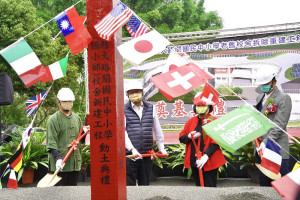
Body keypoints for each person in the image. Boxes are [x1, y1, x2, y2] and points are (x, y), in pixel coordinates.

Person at [124, 80, 167, 186]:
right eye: (131, 92)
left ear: (142, 93)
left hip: (146, 153)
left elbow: (157, 129)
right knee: (130, 185)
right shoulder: (123, 109)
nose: (135, 94)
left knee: (145, 184)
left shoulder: (151, 108)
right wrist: (132, 149)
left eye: (137, 92)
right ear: (128, 95)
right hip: (131, 155)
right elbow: (122, 132)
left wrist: (161, 147)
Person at [255, 66, 292, 186]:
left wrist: (266, 142)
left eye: (265, 84)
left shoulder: (283, 98)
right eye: (261, 84)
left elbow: (279, 124)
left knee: (280, 187)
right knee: (264, 187)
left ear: (274, 81)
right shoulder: (259, 97)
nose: (263, 87)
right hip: (261, 149)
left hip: (277, 149)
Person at [179, 94, 226, 187]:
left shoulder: (214, 121)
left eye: (203, 106)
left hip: (209, 160)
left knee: (210, 187)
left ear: (209, 107)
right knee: (199, 188)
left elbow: (216, 142)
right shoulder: (190, 121)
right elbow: (181, 138)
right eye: (198, 106)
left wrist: (206, 156)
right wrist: (189, 136)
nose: (200, 108)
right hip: (195, 160)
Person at [46, 88, 83, 186]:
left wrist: (85, 132)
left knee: (72, 192)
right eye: (64, 101)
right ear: (58, 102)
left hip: (74, 163)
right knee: (59, 193)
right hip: (60, 164)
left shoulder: (77, 118)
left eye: (70, 101)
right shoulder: (53, 120)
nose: (68, 103)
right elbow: (51, 142)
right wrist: (58, 158)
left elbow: (81, 139)